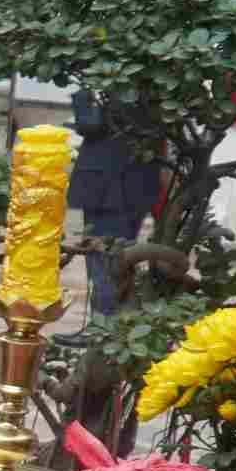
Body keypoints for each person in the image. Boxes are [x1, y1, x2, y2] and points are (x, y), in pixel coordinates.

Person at [69, 89, 161, 317]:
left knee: (104, 260)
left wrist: (84, 94)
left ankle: (103, 329)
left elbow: (89, 124)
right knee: (121, 258)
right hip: (136, 182)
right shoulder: (158, 87)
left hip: (107, 186)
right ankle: (112, 326)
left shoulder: (116, 86)